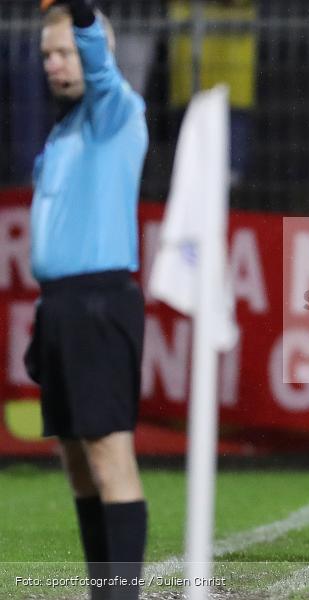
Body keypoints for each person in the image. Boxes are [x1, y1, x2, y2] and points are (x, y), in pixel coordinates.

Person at [26, 1, 149, 598]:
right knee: (77, 463)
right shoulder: (64, 130)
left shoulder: (114, 110)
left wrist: (78, 16)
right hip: (61, 306)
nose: (54, 63)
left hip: (99, 304)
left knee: (108, 457)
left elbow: (99, 63)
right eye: (47, 54)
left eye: (65, 51)